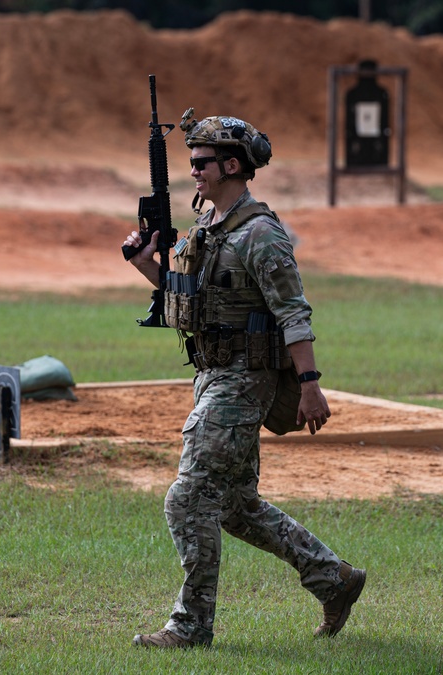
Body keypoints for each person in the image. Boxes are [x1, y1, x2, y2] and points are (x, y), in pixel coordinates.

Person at [123, 113, 366, 648]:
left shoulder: (260, 234)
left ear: (233, 165)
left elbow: (293, 313)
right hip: (211, 376)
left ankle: (190, 628)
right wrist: (147, 266)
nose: (195, 174)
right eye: (190, 164)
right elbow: (190, 302)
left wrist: (309, 385)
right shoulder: (209, 228)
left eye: (202, 164)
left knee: (187, 500)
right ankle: (335, 579)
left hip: (243, 381)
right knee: (234, 506)